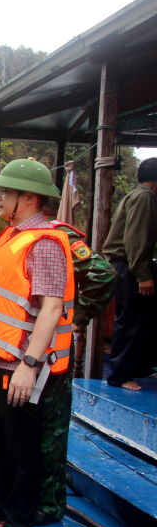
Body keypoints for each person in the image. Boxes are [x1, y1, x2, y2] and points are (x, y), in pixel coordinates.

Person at [0, 159, 74, 527]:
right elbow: (2, 306)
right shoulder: (11, 236)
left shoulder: (43, 242)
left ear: (28, 197)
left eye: (5, 192)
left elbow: (50, 308)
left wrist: (29, 365)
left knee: (22, 447)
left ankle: (16, 526)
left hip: (23, 366)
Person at [30, 211, 116, 526]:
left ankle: (49, 503)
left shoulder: (59, 236)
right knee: (20, 427)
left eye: (5, 193)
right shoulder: (15, 237)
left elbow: (102, 274)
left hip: (55, 349)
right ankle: (19, 493)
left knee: (50, 429)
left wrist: (79, 317)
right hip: (20, 346)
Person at [101, 157, 157, 390]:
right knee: (130, 320)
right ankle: (120, 376)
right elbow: (135, 240)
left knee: (143, 319)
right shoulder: (144, 197)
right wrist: (143, 275)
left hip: (127, 264)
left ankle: (140, 367)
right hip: (128, 265)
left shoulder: (138, 195)